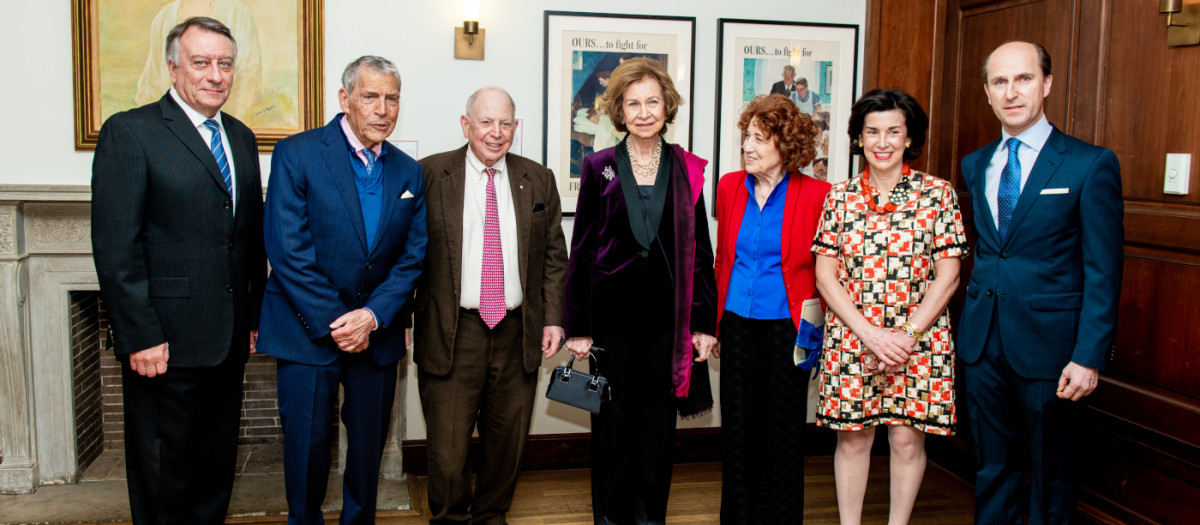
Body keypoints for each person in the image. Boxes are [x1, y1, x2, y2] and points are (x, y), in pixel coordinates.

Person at [91, 16, 266, 524]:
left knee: (215, 469)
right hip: (163, 343)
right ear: (173, 68)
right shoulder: (131, 131)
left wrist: (253, 317)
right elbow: (116, 248)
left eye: (225, 63)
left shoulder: (240, 136)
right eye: (201, 62)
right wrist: (139, 335)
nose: (215, 74)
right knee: (165, 471)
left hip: (229, 339)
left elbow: (246, 237)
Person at [257, 55, 427, 524]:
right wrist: (340, 322)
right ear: (344, 98)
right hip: (306, 332)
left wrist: (372, 316)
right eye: (370, 96)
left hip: (377, 335)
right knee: (307, 447)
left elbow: (413, 257)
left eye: (391, 98)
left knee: (369, 447)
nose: (382, 108)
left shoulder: (409, 172)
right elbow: (288, 249)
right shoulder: (298, 153)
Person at [958, 41, 1123, 525]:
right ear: (987, 92)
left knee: (1051, 474)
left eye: (1024, 79)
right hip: (982, 344)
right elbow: (992, 252)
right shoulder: (976, 164)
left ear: (1046, 84)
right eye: (1000, 82)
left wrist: (1089, 356)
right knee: (991, 469)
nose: (1012, 92)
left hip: (1053, 351)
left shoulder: (1089, 164)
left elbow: (1103, 269)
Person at [562, 57, 718, 525]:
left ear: (667, 106)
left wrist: (704, 325)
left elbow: (701, 253)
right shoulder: (599, 166)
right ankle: (609, 519)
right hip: (610, 325)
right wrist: (579, 327)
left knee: (655, 431)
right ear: (619, 110)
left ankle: (650, 518)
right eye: (634, 103)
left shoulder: (688, 168)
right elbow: (582, 250)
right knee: (611, 428)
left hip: (667, 327)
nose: (644, 111)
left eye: (653, 101)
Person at [414, 87, 568, 524]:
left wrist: (554, 317)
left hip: (518, 333)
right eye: (486, 122)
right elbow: (406, 252)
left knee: (508, 444)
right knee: (447, 452)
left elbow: (555, 256)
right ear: (466, 125)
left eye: (505, 124)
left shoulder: (538, 178)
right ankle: (448, 519)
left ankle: (491, 517)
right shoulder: (429, 174)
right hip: (451, 331)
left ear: (515, 128)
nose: (495, 133)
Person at [812, 88, 967, 525]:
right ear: (859, 138)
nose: (883, 141)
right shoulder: (839, 196)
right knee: (854, 441)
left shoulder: (938, 194)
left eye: (893, 131)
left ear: (908, 137)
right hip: (853, 335)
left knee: (905, 441)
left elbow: (949, 275)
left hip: (920, 339)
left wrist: (906, 336)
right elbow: (826, 276)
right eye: (872, 132)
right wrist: (872, 334)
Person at [712, 94, 830, 524]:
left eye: (760, 139)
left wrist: (820, 340)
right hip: (738, 325)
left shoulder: (818, 193)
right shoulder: (728, 186)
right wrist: (716, 325)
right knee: (738, 433)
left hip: (790, 329)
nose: (748, 146)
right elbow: (723, 260)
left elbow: (826, 272)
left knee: (782, 434)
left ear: (786, 145)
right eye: (746, 136)